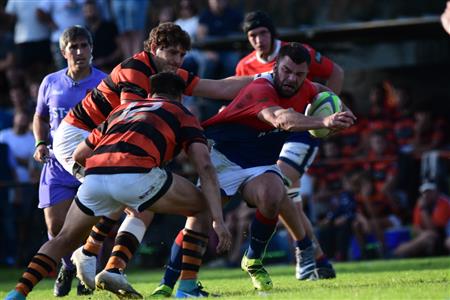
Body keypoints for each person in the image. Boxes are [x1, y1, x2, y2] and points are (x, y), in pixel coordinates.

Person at [49, 22, 251, 294]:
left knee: (142, 196)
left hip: (104, 137)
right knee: (131, 189)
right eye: (173, 54)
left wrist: (267, 79)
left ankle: (107, 265)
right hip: (77, 137)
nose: (178, 61)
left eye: (182, 55)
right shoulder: (136, 69)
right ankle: (88, 254)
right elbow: (131, 120)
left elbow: (217, 88)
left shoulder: (168, 74)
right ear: (155, 49)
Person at [150, 43, 355, 295]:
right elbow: (281, 119)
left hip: (259, 162)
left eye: (299, 75)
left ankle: (253, 260)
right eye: (287, 71)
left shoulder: (306, 87)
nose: (291, 79)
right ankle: (168, 283)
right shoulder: (260, 88)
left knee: (274, 193)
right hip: (223, 155)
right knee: (200, 218)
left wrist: (342, 110)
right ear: (276, 66)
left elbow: (321, 90)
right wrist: (323, 120)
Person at [5, 72, 231, 300]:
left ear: (150, 93)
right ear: (180, 96)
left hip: (94, 176)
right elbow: (205, 166)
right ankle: (187, 288)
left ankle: (18, 292)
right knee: (201, 206)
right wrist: (218, 221)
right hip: (136, 174)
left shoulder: (122, 110)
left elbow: (80, 153)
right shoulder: (181, 112)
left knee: (64, 239)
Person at [235, 10, 345, 278]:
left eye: (262, 33)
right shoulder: (244, 66)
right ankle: (317, 258)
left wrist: (327, 113)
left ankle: (305, 254)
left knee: (279, 184)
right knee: (288, 198)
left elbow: (336, 73)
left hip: (302, 130)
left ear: (272, 33)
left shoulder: (296, 53)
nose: (259, 40)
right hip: (272, 135)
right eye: (252, 35)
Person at [32, 26, 106, 297]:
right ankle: (68, 266)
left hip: (92, 164)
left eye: (84, 46)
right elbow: (39, 117)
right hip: (56, 165)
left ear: (91, 48)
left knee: (90, 225)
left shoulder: (105, 82)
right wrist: (40, 143)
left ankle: (89, 274)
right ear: (64, 52)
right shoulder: (50, 82)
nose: (79, 51)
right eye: (73, 47)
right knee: (55, 226)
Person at [393, 182, 450, 258]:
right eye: (424, 192)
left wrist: (423, 210)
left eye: (430, 192)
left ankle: (397, 253)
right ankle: (399, 253)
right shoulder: (421, 204)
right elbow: (416, 227)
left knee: (430, 236)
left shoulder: (444, 203)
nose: (426, 195)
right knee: (427, 237)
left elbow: (434, 229)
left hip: (443, 237)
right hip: (427, 236)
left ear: (436, 192)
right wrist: (423, 234)